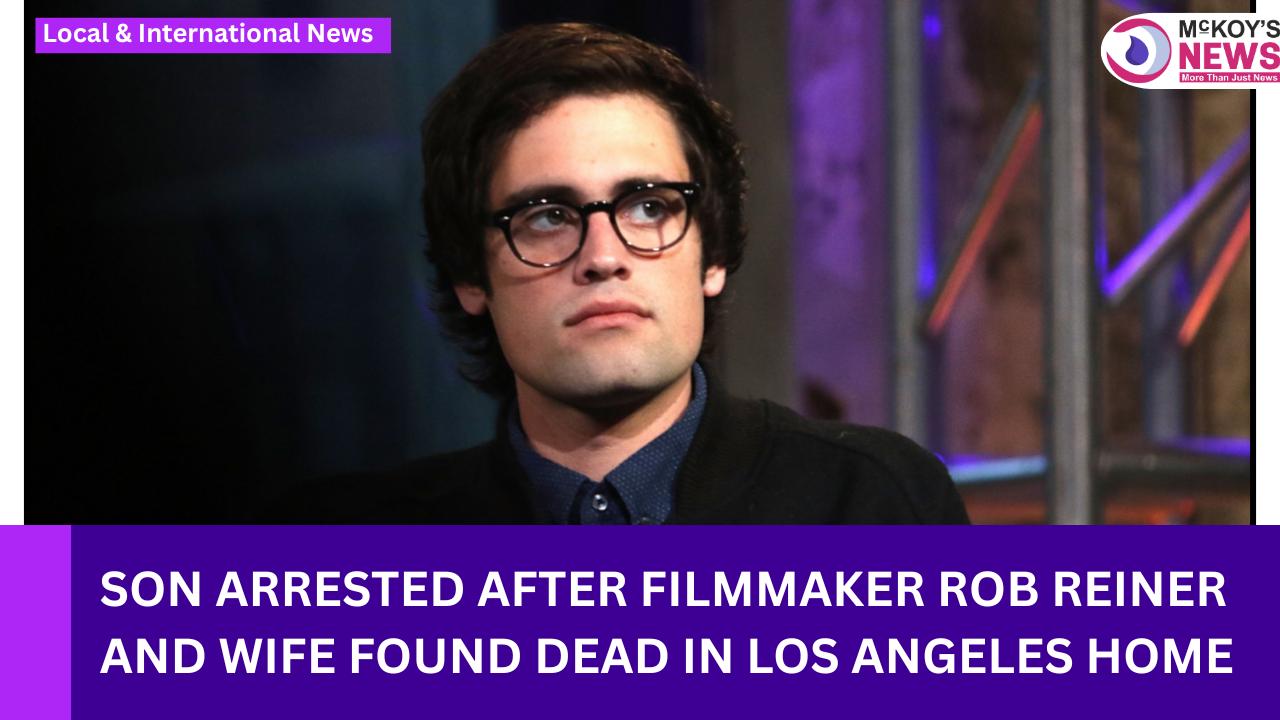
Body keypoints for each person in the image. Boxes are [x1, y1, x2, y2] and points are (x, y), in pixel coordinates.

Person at [271, 23, 969, 524]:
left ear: (712, 255)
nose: (604, 256)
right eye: (547, 217)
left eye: (648, 207)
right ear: (470, 277)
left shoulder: (872, 502)